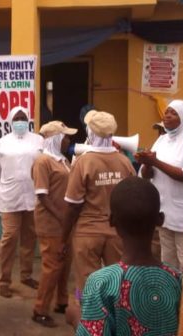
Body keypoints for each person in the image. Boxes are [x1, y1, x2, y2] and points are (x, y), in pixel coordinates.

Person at [74, 177, 182, 336]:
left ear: (111, 220)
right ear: (160, 220)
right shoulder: (177, 280)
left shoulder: (101, 283)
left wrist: (75, 319)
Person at [61, 111, 136, 292]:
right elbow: (132, 198)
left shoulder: (83, 162)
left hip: (88, 232)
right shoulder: (125, 162)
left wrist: (63, 238)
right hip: (117, 232)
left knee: (88, 285)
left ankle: (89, 311)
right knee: (117, 283)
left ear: (90, 132)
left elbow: (72, 205)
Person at [136, 100, 183, 269]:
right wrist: (147, 163)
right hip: (163, 214)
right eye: (166, 112)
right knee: (167, 264)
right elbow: (147, 175)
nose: (167, 116)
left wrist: (156, 162)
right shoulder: (162, 140)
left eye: (173, 113)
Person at [0, 105, 44, 298]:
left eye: (23, 118)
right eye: (16, 119)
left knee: (29, 238)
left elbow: (46, 166)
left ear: (28, 120)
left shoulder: (38, 141)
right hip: (9, 198)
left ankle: (26, 275)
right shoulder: (3, 142)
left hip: (32, 197)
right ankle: (4, 280)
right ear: (11, 121)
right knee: (9, 238)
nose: (20, 122)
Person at [31, 120, 77, 328]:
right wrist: (61, 217)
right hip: (51, 222)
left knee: (64, 263)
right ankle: (40, 310)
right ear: (55, 139)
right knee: (52, 266)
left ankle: (61, 301)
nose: (68, 140)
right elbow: (42, 195)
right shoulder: (43, 161)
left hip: (64, 222)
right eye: (65, 137)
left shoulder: (62, 160)